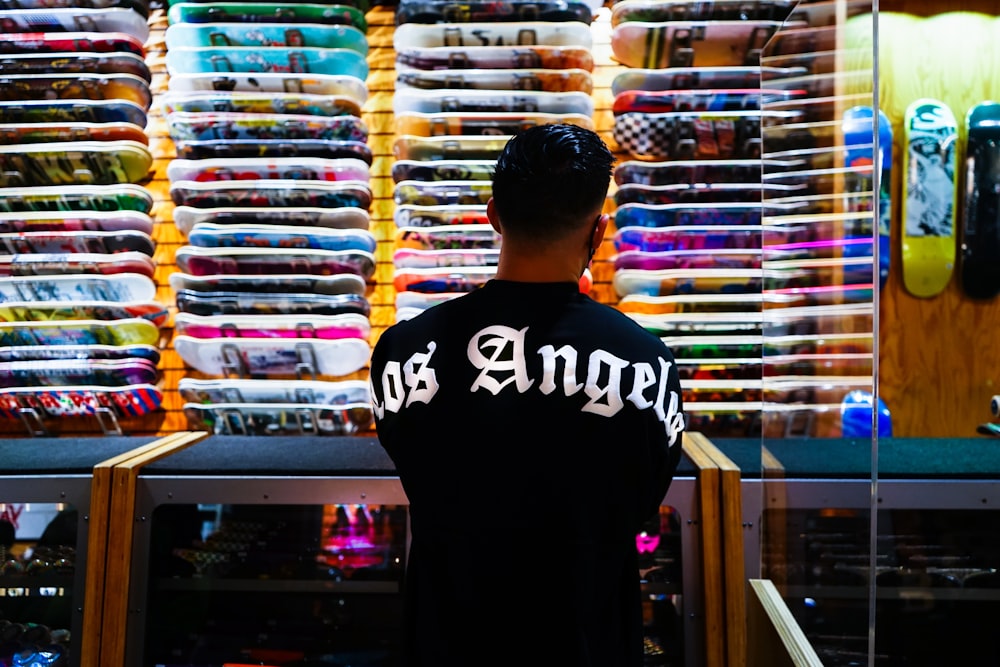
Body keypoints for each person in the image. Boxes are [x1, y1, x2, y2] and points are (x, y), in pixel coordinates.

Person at [369, 123, 686, 667]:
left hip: (447, 640)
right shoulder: (644, 360)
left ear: (493, 215)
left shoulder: (402, 349)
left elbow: (416, 466)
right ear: (599, 231)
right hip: (588, 640)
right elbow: (642, 501)